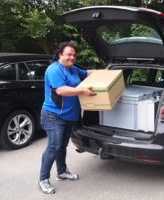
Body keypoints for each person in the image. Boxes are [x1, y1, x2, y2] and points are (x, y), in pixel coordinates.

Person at [38, 42, 96, 194]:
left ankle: (62, 172)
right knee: (53, 147)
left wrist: (108, 72)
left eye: (74, 55)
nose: (72, 57)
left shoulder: (73, 69)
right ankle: (43, 179)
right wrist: (82, 90)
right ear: (60, 55)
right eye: (69, 54)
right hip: (53, 115)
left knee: (62, 146)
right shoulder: (54, 69)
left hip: (69, 115)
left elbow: (87, 73)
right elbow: (61, 90)